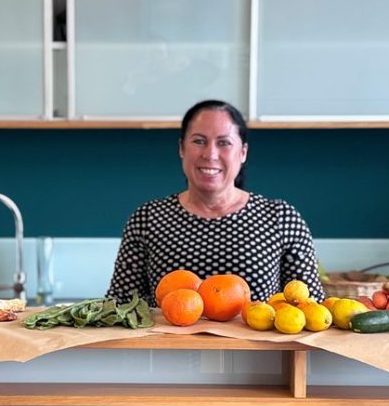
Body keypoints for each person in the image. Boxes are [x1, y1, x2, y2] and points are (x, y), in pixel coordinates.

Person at [106, 99, 325, 305]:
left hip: (256, 336)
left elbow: (311, 306)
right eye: (199, 141)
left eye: (224, 143)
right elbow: (120, 304)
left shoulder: (281, 218)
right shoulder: (148, 218)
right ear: (181, 148)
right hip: (169, 336)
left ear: (243, 152)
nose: (210, 154)